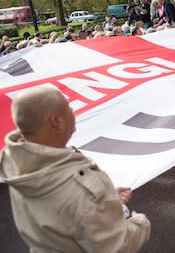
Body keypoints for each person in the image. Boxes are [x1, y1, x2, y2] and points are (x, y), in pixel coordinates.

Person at [0, 86, 151, 252]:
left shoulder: (16, 161)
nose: (72, 111)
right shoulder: (81, 187)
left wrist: (104, 203)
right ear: (56, 121)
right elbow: (117, 246)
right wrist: (139, 222)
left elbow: (64, 214)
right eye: (68, 107)